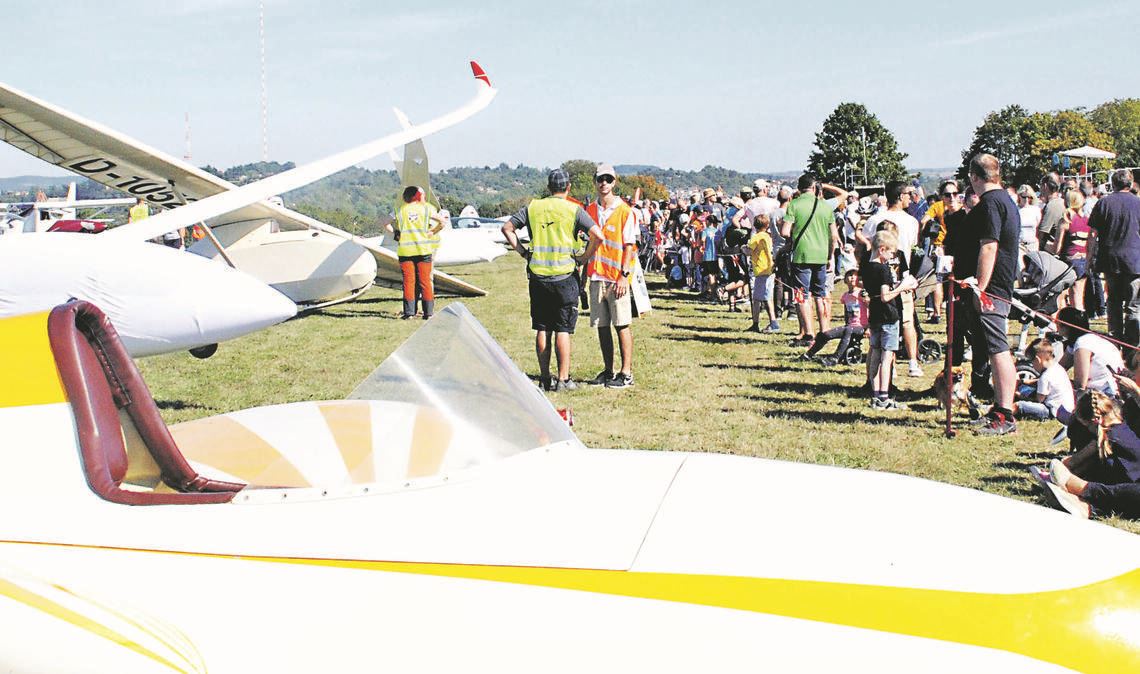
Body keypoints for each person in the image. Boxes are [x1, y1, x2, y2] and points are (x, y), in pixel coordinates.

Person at [502, 169, 603, 392]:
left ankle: (545, 378)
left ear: (548, 188)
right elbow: (599, 235)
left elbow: (507, 228)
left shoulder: (534, 207)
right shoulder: (573, 209)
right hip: (565, 276)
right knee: (563, 329)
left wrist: (523, 252)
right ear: (568, 188)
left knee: (543, 328)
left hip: (539, 276)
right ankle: (563, 379)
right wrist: (584, 257)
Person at [963, 153, 1021, 436]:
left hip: (993, 288)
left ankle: (1005, 413)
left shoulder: (991, 203)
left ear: (974, 177)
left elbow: (989, 246)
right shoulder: (1006, 200)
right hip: (1000, 286)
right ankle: (999, 406)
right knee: (993, 348)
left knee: (998, 349)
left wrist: (980, 288)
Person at [859, 181, 923, 377]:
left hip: (878, 280)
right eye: (908, 195)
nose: (910, 199)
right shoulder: (911, 221)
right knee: (905, 322)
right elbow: (913, 246)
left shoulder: (873, 220)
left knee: (881, 326)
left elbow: (863, 248)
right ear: (900, 196)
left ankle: (887, 367)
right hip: (899, 279)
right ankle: (912, 362)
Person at [583, 164, 638, 389]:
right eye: (600, 179)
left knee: (621, 324)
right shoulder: (590, 211)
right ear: (595, 182)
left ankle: (626, 372)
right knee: (602, 326)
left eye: (608, 179)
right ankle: (608, 370)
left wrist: (624, 276)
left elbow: (629, 246)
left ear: (614, 182)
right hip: (596, 275)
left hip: (616, 278)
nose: (603, 183)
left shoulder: (624, 211)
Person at [780, 173, 839, 346]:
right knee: (820, 295)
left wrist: (794, 237)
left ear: (799, 188)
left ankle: (809, 333)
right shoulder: (825, 207)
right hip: (821, 255)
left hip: (801, 255)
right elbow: (834, 236)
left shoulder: (794, 205)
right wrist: (830, 256)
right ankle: (825, 330)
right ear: (814, 188)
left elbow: (784, 231)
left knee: (800, 295)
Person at [863, 230, 916, 410]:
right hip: (888, 316)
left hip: (875, 316)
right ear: (882, 249)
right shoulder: (883, 269)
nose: (893, 257)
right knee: (887, 357)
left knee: (875, 354)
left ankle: (875, 394)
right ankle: (884, 397)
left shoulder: (867, 267)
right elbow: (885, 296)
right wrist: (903, 286)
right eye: (891, 253)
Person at [1088, 168, 1140, 346]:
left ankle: (1116, 339)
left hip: (1111, 260)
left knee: (1114, 301)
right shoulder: (1138, 203)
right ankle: (1132, 343)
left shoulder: (1104, 203)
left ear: (1113, 184)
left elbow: (1093, 234)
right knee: (1134, 305)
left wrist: (1089, 259)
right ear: (1130, 183)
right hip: (1134, 260)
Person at [393, 186, 446, 320]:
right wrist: (432, 232)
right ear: (417, 196)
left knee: (409, 282)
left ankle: (409, 313)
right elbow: (442, 221)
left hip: (405, 252)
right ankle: (428, 313)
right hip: (423, 251)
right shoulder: (426, 208)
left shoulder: (401, 210)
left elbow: (389, 224)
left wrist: (397, 235)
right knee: (425, 282)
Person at [803, 268, 867, 366]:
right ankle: (808, 354)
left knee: (848, 330)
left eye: (855, 275)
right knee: (826, 334)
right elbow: (847, 313)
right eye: (849, 275)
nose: (853, 277)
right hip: (850, 326)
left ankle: (835, 358)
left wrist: (869, 328)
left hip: (861, 327)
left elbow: (869, 307)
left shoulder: (862, 293)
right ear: (845, 280)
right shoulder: (845, 296)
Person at [1056, 306, 1124, 396]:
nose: (1056, 328)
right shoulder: (1084, 339)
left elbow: (1080, 385)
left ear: (1066, 327)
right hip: (1109, 390)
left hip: (1106, 394)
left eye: (1057, 323)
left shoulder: (1083, 344)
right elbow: (1060, 368)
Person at [1015, 338, 1074, 421]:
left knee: (1020, 405)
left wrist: (1019, 395)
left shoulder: (1045, 377)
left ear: (1037, 360)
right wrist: (1026, 381)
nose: (1032, 365)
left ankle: (1003, 411)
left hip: (1052, 412)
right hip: (1067, 409)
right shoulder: (1058, 368)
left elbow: (1038, 400)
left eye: (1032, 362)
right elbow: (1048, 383)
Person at [1055, 190, 1090, 311]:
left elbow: (1057, 248)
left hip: (1069, 261)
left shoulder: (1066, 220)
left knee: (1060, 296)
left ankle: (1065, 324)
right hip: (1084, 260)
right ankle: (1081, 324)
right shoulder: (1087, 220)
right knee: (1079, 296)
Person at [745, 213, 778, 333]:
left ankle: (758, 323)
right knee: (767, 296)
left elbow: (749, 251)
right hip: (770, 269)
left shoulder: (756, 237)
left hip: (760, 269)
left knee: (758, 298)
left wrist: (743, 249)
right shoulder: (768, 237)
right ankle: (772, 322)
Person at [1036, 172, 1065, 251]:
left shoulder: (1052, 206)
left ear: (1045, 186)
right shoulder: (1063, 202)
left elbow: (1042, 234)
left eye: (1040, 186)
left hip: (1051, 253)